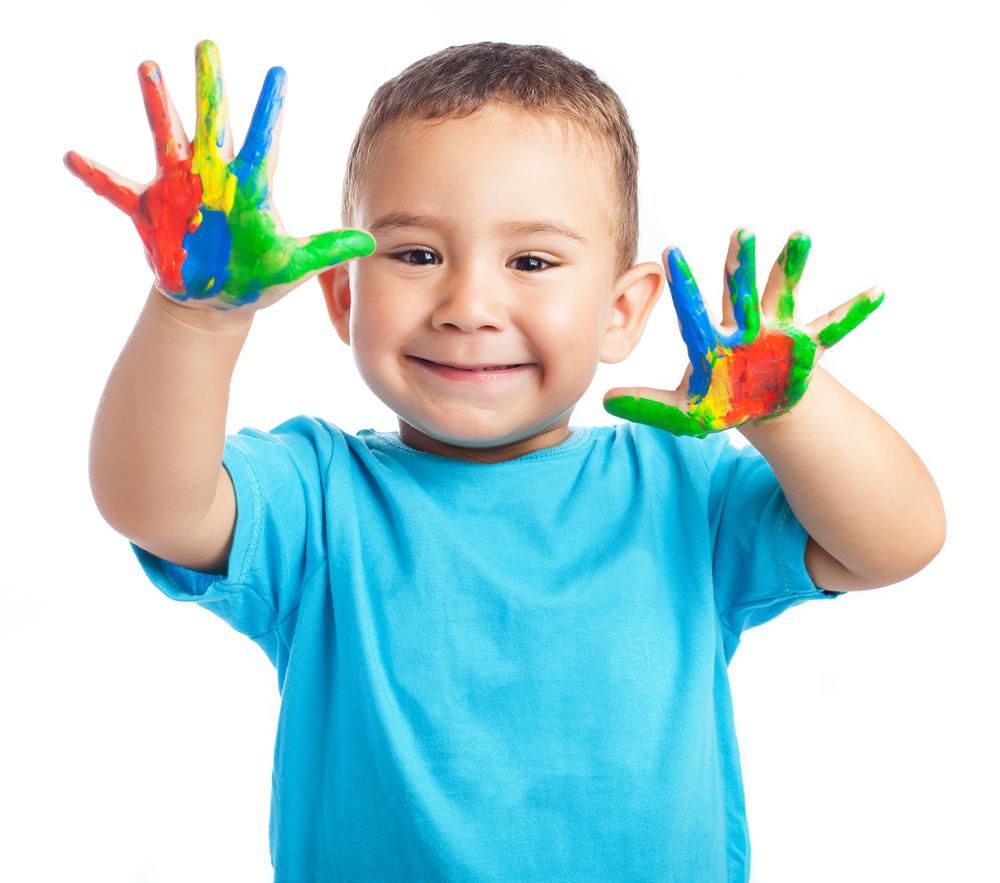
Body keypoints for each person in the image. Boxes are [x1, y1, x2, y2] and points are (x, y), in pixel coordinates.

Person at [66, 38, 945, 883]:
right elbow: (154, 503)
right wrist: (198, 315)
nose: (470, 303)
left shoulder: (683, 489)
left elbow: (895, 542)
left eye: (531, 259)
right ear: (343, 294)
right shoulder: (318, 497)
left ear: (622, 310)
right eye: (416, 254)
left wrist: (792, 414)